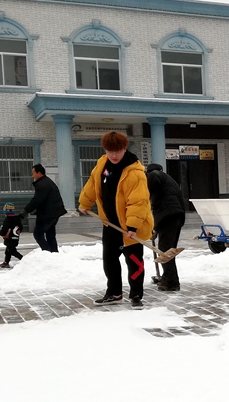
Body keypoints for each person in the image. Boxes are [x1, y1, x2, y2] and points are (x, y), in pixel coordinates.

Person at [78, 131, 154, 308]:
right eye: (109, 151)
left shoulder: (135, 173)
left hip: (131, 226)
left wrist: (132, 227)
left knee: (134, 261)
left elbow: (138, 201)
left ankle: (136, 294)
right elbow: (92, 185)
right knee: (109, 260)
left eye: (117, 151)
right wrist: (84, 202)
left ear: (124, 148)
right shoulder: (101, 164)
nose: (113, 155)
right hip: (110, 223)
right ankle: (114, 292)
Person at [146, 162, 187, 291]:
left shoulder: (156, 175)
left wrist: (146, 192)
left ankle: (171, 282)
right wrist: (156, 228)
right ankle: (167, 277)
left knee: (165, 250)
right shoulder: (170, 181)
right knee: (169, 250)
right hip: (177, 215)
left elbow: (155, 177)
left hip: (169, 216)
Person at [21, 164, 67, 252]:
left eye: (33, 173)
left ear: (39, 173)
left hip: (48, 214)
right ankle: (54, 253)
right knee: (50, 234)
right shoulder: (47, 181)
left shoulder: (42, 184)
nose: (32, 176)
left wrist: (25, 211)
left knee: (38, 234)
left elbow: (37, 200)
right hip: (54, 212)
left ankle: (47, 252)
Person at [0, 202, 23, 268]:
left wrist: (2, 233)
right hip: (15, 237)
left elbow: (5, 228)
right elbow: (21, 227)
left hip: (9, 238)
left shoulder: (7, 219)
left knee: (12, 251)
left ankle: (24, 260)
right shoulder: (17, 218)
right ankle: (6, 262)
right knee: (8, 250)